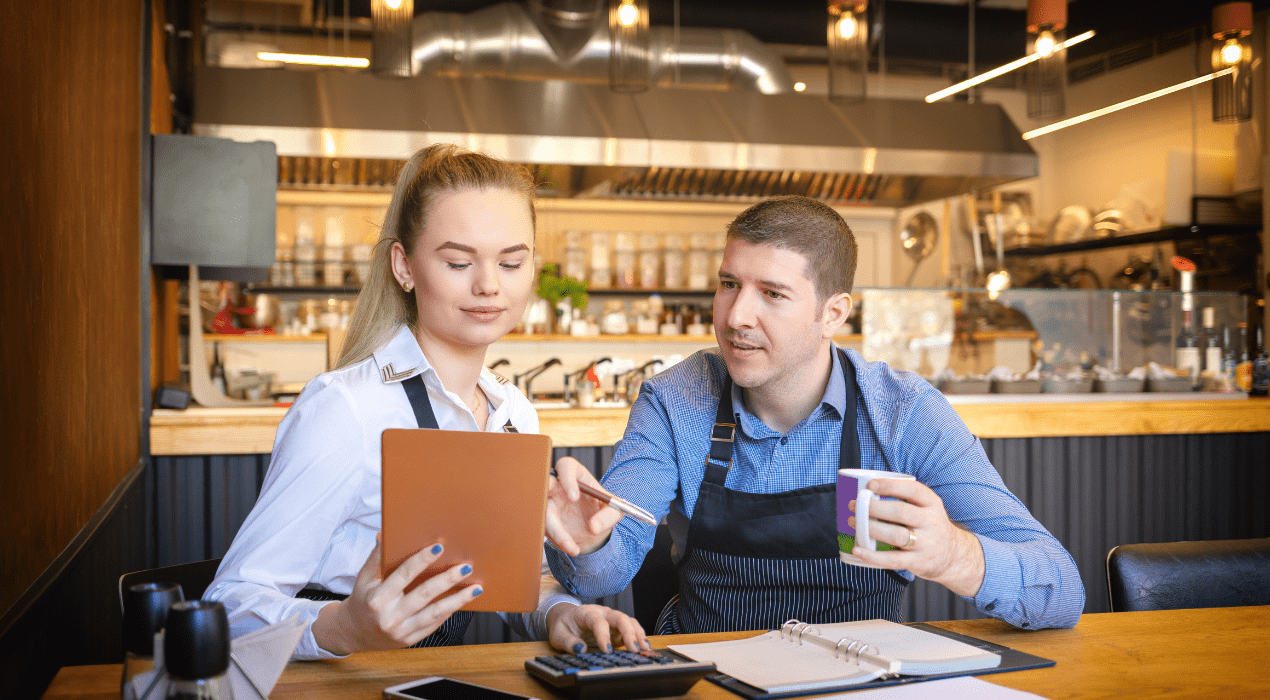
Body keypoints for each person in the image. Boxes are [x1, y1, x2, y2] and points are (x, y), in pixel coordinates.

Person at [545, 195, 1085, 634]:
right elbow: (602, 573)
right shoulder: (676, 400)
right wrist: (587, 540)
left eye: (772, 294)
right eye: (729, 284)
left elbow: (1061, 589)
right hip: (708, 675)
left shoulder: (905, 413)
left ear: (833, 313)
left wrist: (954, 557)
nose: (736, 316)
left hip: (858, 681)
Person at [205, 144, 647, 660]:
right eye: (459, 262)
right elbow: (230, 607)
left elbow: (502, 578)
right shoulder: (345, 409)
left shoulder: (513, 416)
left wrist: (561, 611)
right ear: (404, 266)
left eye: (510, 262)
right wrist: (345, 627)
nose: (488, 285)